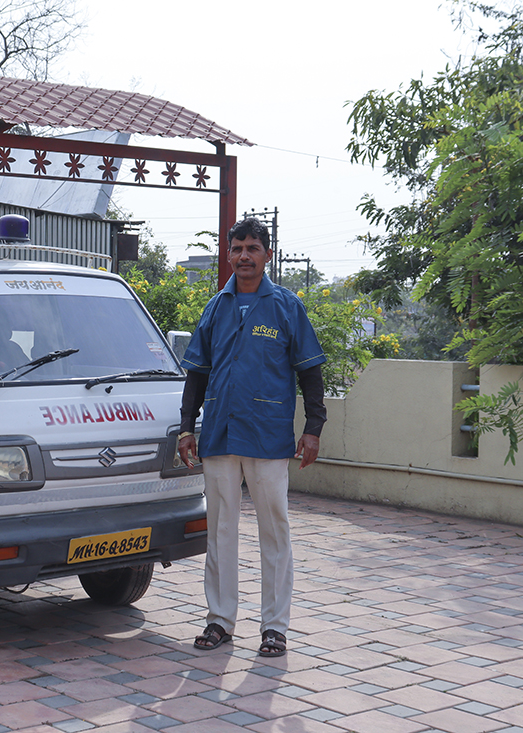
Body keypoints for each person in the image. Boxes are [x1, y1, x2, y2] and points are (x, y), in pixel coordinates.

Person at [178, 217, 327, 656]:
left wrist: (313, 429)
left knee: (274, 530)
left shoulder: (285, 306)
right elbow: (196, 375)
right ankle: (220, 620)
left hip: (268, 435)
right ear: (228, 255)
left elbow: (310, 372)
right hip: (220, 435)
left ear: (267, 254)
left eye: (253, 248)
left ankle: (274, 627)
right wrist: (188, 427)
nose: (245, 256)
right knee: (220, 530)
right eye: (238, 248)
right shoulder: (215, 308)